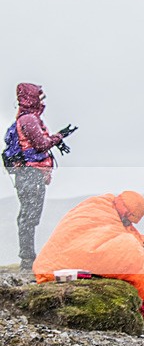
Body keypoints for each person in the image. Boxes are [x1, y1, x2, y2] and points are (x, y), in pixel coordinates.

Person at [33, 191, 144, 333]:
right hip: (69, 253)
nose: (127, 222)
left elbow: (120, 233)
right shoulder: (97, 208)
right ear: (124, 207)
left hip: (78, 252)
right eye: (128, 217)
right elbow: (87, 234)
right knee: (131, 252)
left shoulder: (115, 213)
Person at [4, 83, 76, 272]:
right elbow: (41, 144)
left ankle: (28, 259)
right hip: (31, 174)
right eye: (40, 97)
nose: (42, 101)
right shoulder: (29, 119)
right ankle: (27, 261)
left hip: (26, 174)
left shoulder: (26, 118)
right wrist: (60, 136)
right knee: (29, 217)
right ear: (31, 98)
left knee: (28, 216)